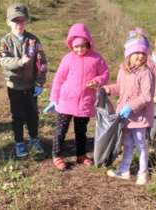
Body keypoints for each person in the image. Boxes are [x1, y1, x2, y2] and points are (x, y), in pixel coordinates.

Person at [43, 23, 109, 171]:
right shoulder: (68, 59)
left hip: (85, 101)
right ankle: (56, 155)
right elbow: (59, 79)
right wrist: (54, 99)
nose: (79, 49)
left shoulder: (96, 58)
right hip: (66, 101)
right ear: (71, 46)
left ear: (89, 43)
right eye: (76, 47)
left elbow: (105, 74)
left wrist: (97, 81)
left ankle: (81, 154)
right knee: (60, 130)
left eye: (82, 46)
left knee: (81, 130)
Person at [103, 28, 155, 185]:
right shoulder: (123, 70)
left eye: (143, 53)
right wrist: (109, 89)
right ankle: (124, 170)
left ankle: (143, 173)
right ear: (129, 54)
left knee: (140, 143)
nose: (140, 55)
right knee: (126, 143)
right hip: (125, 116)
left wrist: (130, 107)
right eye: (136, 52)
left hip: (139, 116)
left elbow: (147, 96)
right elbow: (120, 87)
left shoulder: (146, 73)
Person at [0, 3, 47, 157]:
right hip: (14, 86)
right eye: (15, 21)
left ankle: (34, 139)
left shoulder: (33, 40)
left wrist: (39, 82)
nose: (19, 25)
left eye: (22, 21)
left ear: (27, 21)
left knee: (33, 114)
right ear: (8, 22)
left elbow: (41, 62)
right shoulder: (5, 41)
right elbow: (4, 62)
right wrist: (19, 62)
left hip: (31, 85)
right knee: (17, 115)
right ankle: (19, 142)